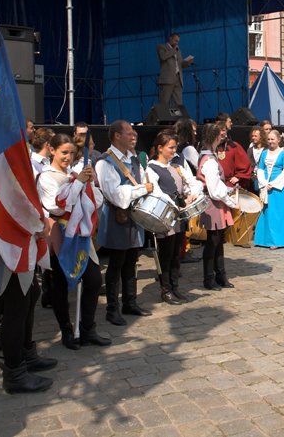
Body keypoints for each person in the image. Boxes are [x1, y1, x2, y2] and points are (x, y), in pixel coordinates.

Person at [0, 133, 56, 393]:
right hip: (8, 233)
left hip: (24, 231)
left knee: (30, 294)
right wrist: (36, 221)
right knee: (16, 303)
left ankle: (25, 352)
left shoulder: (12, 144)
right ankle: (14, 371)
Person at [38, 134, 109, 349]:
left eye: (71, 153)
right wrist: (78, 183)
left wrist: (89, 182)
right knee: (61, 284)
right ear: (52, 150)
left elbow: (96, 200)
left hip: (81, 233)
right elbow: (56, 206)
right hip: (60, 233)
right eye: (64, 152)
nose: (68, 157)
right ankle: (67, 331)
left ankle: (87, 328)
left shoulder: (74, 174)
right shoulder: (45, 177)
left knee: (94, 280)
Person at [96, 121, 154, 325]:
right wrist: (143, 189)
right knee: (116, 263)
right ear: (116, 136)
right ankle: (112, 309)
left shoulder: (134, 159)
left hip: (133, 216)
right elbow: (116, 195)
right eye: (129, 133)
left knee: (131, 262)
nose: (133, 136)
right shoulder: (105, 162)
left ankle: (130, 302)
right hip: (117, 217)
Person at [146, 131, 203, 304]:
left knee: (176, 254)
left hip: (178, 217)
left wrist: (191, 195)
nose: (173, 150)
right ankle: (166, 290)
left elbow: (192, 183)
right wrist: (176, 203)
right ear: (160, 148)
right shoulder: (151, 168)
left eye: (175, 147)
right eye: (170, 147)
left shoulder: (175, 167)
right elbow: (156, 193)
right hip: (164, 218)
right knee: (166, 254)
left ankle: (174, 287)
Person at [197, 123, 239, 289]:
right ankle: (209, 278)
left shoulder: (209, 157)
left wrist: (229, 189)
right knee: (212, 242)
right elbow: (215, 190)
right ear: (216, 138)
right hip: (213, 204)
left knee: (217, 241)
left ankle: (220, 275)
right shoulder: (210, 161)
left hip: (217, 203)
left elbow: (217, 185)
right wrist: (231, 201)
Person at [254, 130, 284, 249]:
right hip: (266, 186)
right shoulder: (264, 153)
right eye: (268, 139)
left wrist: (274, 184)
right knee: (268, 213)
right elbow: (260, 169)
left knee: (279, 214)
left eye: (272, 139)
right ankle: (267, 239)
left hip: (279, 187)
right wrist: (264, 183)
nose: (270, 141)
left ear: (278, 140)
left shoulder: (283, 154)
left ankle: (279, 240)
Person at [215, 113, 253, 192]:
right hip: (214, 184)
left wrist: (238, 176)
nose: (221, 133)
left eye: (223, 130)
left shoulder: (233, 146)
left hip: (229, 185)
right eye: (219, 131)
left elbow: (245, 164)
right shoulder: (210, 147)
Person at [156, 32, 194, 107]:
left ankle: (178, 118)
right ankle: (163, 118)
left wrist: (187, 63)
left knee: (178, 102)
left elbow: (180, 64)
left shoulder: (178, 50)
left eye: (178, 41)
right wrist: (174, 50)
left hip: (178, 79)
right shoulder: (161, 47)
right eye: (175, 41)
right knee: (164, 101)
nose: (177, 43)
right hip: (168, 79)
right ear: (170, 38)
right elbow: (163, 57)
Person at [246, 126, 267, 192]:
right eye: (252, 136)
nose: (253, 138)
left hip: (264, 179)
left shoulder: (267, 150)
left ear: (261, 136)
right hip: (252, 180)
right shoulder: (250, 150)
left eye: (255, 136)